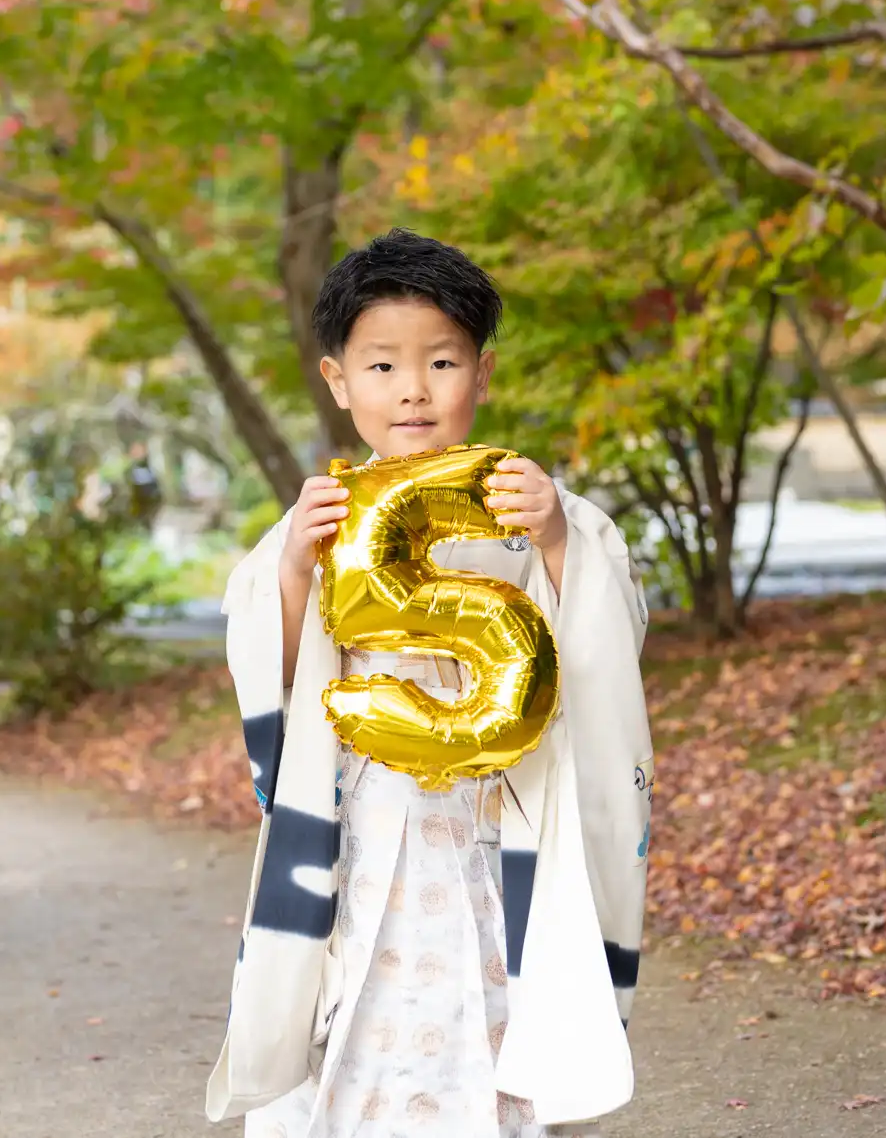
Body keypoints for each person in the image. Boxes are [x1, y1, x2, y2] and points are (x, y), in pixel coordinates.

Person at [207, 230, 654, 1137]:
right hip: (366, 822)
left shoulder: (525, 505)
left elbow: (608, 641)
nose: (413, 388)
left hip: (494, 820)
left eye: (441, 360)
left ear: (481, 374)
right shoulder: (320, 517)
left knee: (483, 1005)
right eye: (382, 364)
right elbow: (269, 664)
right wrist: (294, 570)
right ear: (338, 380)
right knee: (359, 1009)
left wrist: (560, 538)